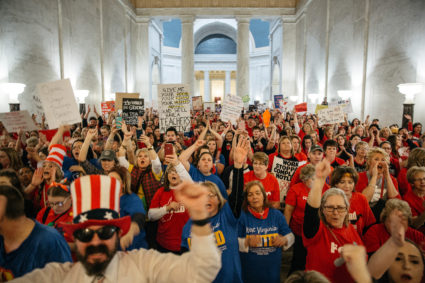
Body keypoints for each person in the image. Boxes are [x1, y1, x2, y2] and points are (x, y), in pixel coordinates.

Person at [13, 175, 221, 282]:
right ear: (74, 239)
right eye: (85, 234)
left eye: (104, 232)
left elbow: (202, 272)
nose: (95, 242)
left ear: (118, 233)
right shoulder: (58, 277)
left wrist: (200, 219)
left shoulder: (142, 264)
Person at [302, 159, 363, 283]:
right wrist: (319, 180)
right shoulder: (317, 230)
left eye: (340, 208)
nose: (335, 213)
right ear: (322, 209)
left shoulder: (351, 230)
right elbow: (311, 211)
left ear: (347, 210)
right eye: (330, 208)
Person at [0, 185, 72, 280]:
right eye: (51, 204)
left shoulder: (50, 242)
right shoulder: (44, 213)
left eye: (59, 203)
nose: (54, 207)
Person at [181, 181, 242, 283]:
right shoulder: (189, 226)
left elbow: (237, 196)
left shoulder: (227, 215)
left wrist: (238, 168)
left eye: (211, 195)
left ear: (219, 199)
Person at [238, 181, 294, 283]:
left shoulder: (276, 215)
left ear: (264, 195)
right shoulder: (242, 216)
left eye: (257, 193)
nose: (254, 197)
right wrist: (246, 242)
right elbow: (232, 241)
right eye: (250, 195)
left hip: (272, 272)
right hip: (249, 273)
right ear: (247, 199)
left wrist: (284, 239)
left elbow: (290, 235)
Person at [149, 154, 192, 253]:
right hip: (165, 243)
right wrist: (166, 208)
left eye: (176, 172)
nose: (173, 174)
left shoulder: (189, 191)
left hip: (186, 243)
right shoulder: (161, 192)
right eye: (170, 172)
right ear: (166, 175)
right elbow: (151, 216)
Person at [284, 164, 317, 273]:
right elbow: (288, 210)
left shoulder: (323, 188)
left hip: (315, 231)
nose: (314, 180)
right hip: (298, 230)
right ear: (305, 179)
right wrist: (285, 230)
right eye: (312, 178)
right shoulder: (296, 189)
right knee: (299, 259)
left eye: (315, 177)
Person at [108, 166, 148, 251]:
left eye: (115, 180)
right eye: (109, 180)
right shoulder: (105, 200)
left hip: (133, 250)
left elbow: (139, 217)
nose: (110, 182)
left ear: (123, 184)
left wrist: (130, 231)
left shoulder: (132, 199)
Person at [355, 147, 401, 220]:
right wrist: (374, 177)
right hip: (364, 215)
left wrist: (387, 176)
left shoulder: (392, 179)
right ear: (369, 161)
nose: (380, 162)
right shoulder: (359, 177)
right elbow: (362, 201)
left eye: (383, 160)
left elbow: (396, 201)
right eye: (376, 159)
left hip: (384, 216)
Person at [329, 166, 375, 237]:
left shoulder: (361, 198)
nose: (347, 186)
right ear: (335, 183)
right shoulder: (328, 199)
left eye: (350, 182)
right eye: (342, 182)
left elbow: (370, 225)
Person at [403, 166, 425, 232]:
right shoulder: (407, 200)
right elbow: (415, 225)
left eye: (424, 178)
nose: (423, 182)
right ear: (411, 183)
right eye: (418, 179)